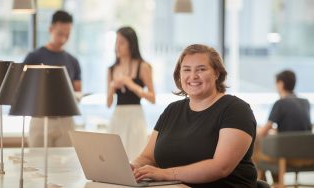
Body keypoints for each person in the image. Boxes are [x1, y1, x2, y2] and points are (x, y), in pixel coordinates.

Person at [131, 44, 257, 187]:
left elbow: (220, 167)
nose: (193, 76)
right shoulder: (172, 110)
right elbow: (148, 157)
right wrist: (131, 168)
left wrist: (165, 174)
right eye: (186, 70)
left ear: (216, 73)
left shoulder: (236, 110)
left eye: (201, 69)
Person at [23, 10, 81, 147]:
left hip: (65, 119)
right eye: (60, 34)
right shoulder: (34, 57)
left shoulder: (73, 61)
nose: (63, 38)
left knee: (65, 163)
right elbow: (22, 87)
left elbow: (78, 91)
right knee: (37, 161)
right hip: (40, 117)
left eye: (67, 34)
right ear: (51, 29)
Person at [107, 26, 155, 161]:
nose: (117, 46)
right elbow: (108, 103)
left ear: (131, 44)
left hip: (135, 116)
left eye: (121, 42)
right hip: (117, 116)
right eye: (116, 42)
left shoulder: (143, 66)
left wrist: (131, 85)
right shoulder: (111, 69)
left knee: (135, 155)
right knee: (114, 157)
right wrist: (112, 87)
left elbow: (152, 98)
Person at [255, 70, 313, 182]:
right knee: (268, 155)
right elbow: (298, 129)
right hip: (308, 157)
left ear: (280, 84)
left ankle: (266, 184)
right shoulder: (305, 102)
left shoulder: (280, 103)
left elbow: (263, 133)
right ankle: (273, 184)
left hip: (286, 157)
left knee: (256, 155)